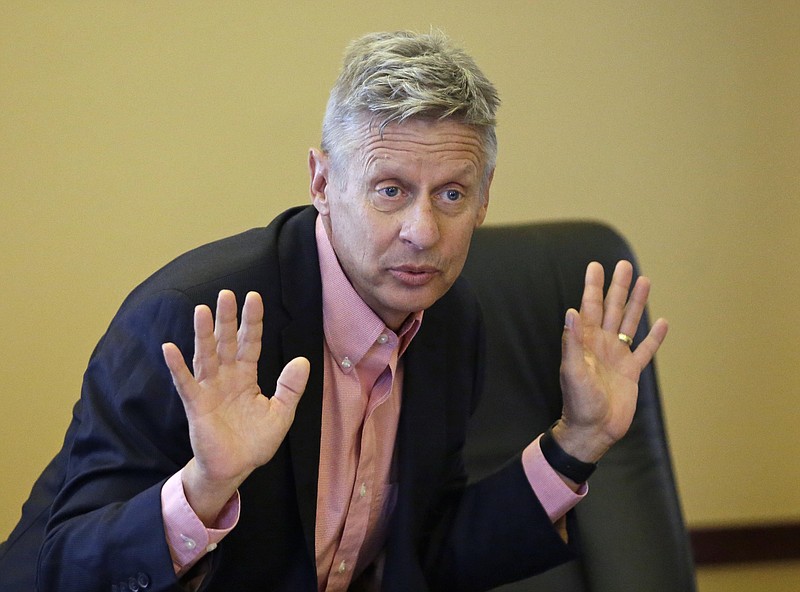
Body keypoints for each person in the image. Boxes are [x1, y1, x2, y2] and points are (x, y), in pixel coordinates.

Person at [0, 30, 668, 591]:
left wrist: (578, 441)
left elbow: (424, 553)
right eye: (390, 190)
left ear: (485, 197)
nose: (424, 232)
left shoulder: (451, 323)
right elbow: (64, 567)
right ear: (322, 183)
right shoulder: (193, 318)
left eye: (452, 195)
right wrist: (204, 489)